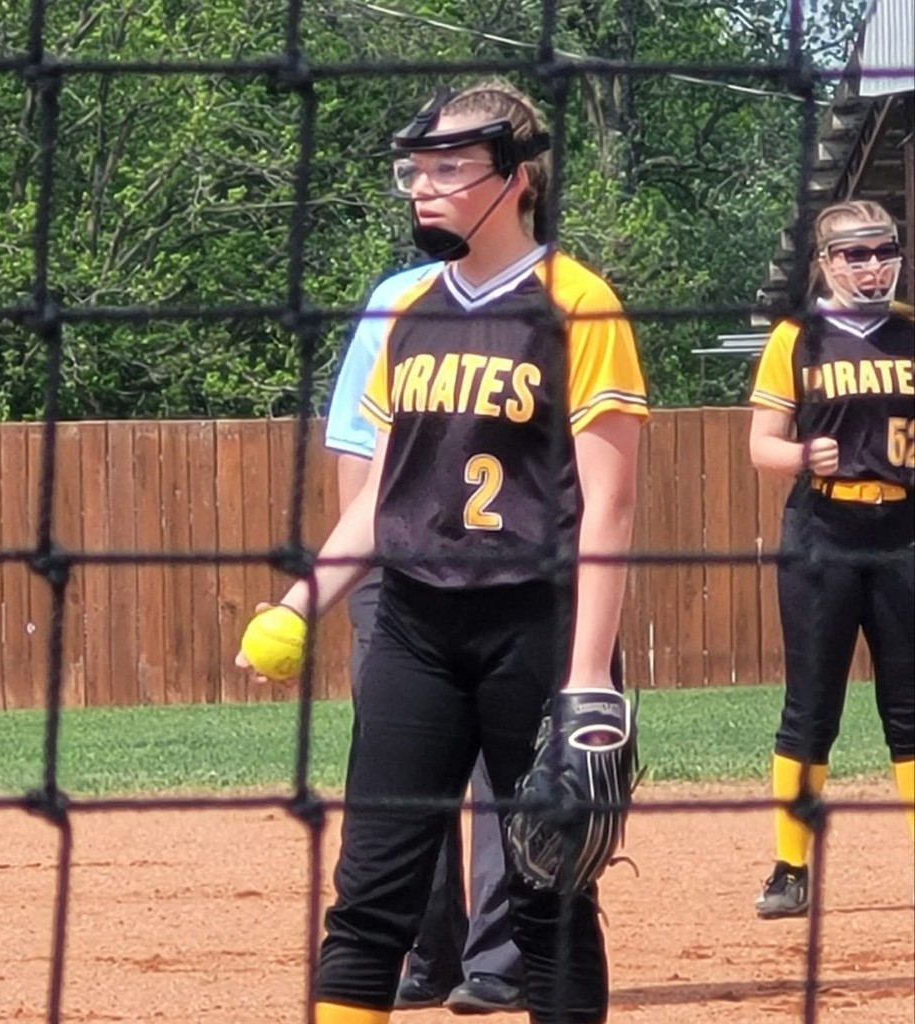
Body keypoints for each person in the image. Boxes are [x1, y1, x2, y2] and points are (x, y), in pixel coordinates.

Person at [238, 79, 648, 1024]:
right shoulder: (407, 309)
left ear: (517, 178)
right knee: (369, 895)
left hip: (533, 629)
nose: (423, 185)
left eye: (449, 167)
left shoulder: (578, 305)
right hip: (417, 627)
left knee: (551, 895)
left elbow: (611, 508)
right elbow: (382, 498)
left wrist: (588, 680)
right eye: (414, 168)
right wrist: (303, 601)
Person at [325, 261, 526, 1014]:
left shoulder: (558, 300)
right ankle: (425, 949)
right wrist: (369, 563)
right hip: (402, 571)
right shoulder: (398, 301)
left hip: (511, 576)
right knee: (403, 767)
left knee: (508, 772)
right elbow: (356, 442)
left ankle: (503, 960)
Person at [749, 199, 914, 919]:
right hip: (822, 531)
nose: (872, 265)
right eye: (854, 254)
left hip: (905, 530)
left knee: (909, 709)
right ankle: (790, 868)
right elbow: (761, 445)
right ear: (825, 264)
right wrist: (799, 454)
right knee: (812, 707)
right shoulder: (798, 337)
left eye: (883, 250)